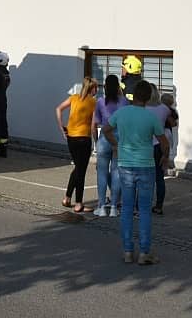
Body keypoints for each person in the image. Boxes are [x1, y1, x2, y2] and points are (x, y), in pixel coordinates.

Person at [106, 80, 168, 265]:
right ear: (148, 97)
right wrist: (165, 156)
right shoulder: (151, 117)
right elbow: (164, 142)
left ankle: (127, 251)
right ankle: (144, 252)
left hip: (125, 164)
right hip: (146, 165)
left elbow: (107, 129)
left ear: (133, 95)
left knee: (126, 208)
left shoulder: (122, 113)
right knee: (144, 210)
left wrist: (115, 145)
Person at [56, 77, 98, 212]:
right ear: (92, 88)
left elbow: (58, 109)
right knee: (81, 171)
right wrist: (95, 140)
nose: (97, 90)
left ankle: (67, 197)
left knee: (77, 168)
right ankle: (79, 203)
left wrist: (61, 127)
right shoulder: (93, 102)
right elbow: (93, 125)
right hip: (83, 138)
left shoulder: (74, 98)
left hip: (71, 137)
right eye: (96, 87)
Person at [91, 74, 126, 218]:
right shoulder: (124, 102)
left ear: (105, 87)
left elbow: (94, 124)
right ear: (118, 87)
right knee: (117, 172)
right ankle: (114, 207)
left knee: (102, 172)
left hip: (104, 139)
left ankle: (101, 206)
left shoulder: (100, 102)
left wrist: (95, 142)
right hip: (119, 139)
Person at [145, 85, 172, 215]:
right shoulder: (164, 109)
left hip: (145, 146)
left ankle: (143, 204)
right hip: (159, 145)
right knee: (159, 177)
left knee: (145, 178)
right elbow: (172, 122)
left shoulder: (142, 109)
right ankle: (159, 205)